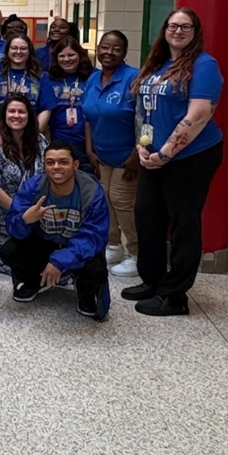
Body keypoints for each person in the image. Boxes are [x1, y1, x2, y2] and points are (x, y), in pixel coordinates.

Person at [123, 8, 223, 317]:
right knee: (147, 216)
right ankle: (152, 280)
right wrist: (144, 149)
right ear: (164, 30)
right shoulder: (157, 64)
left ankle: (175, 295)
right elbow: (145, 109)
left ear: (195, 31)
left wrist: (166, 153)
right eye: (172, 26)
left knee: (184, 223)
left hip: (190, 158)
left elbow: (199, 115)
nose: (177, 31)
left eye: (185, 27)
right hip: (153, 156)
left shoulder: (204, 65)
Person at [1, 141, 110, 320]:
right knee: (9, 251)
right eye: (50, 162)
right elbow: (12, 227)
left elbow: (94, 235)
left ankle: (85, 289)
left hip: (75, 244)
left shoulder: (91, 191)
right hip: (44, 242)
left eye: (63, 162)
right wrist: (25, 220)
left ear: (75, 165)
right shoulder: (34, 186)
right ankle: (34, 281)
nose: (56, 167)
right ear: (44, 165)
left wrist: (61, 261)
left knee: (96, 266)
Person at [83, 30, 141, 278]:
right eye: (105, 47)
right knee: (105, 200)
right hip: (101, 155)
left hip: (127, 157)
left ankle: (137, 254)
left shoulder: (134, 78)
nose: (109, 53)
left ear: (125, 53)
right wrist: (89, 148)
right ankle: (114, 245)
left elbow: (145, 119)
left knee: (122, 202)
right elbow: (87, 117)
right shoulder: (93, 78)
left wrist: (137, 153)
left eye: (116, 48)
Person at [0, 94, 48, 275]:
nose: (16, 116)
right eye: (12, 111)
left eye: (21, 112)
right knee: (14, 257)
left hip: (36, 212)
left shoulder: (40, 141)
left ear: (29, 116)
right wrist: (20, 212)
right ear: (4, 115)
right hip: (4, 214)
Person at [38, 36, 93, 171]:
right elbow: (45, 109)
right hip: (58, 141)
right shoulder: (48, 78)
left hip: (88, 143)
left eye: (71, 55)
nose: (67, 59)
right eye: (61, 56)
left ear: (80, 55)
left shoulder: (94, 76)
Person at [0, 34, 42, 108]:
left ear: (29, 51)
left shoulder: (40, 77)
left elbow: (45, 109)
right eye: (14, 48)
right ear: (7, 50)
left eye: (23, 48)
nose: (18, 51)